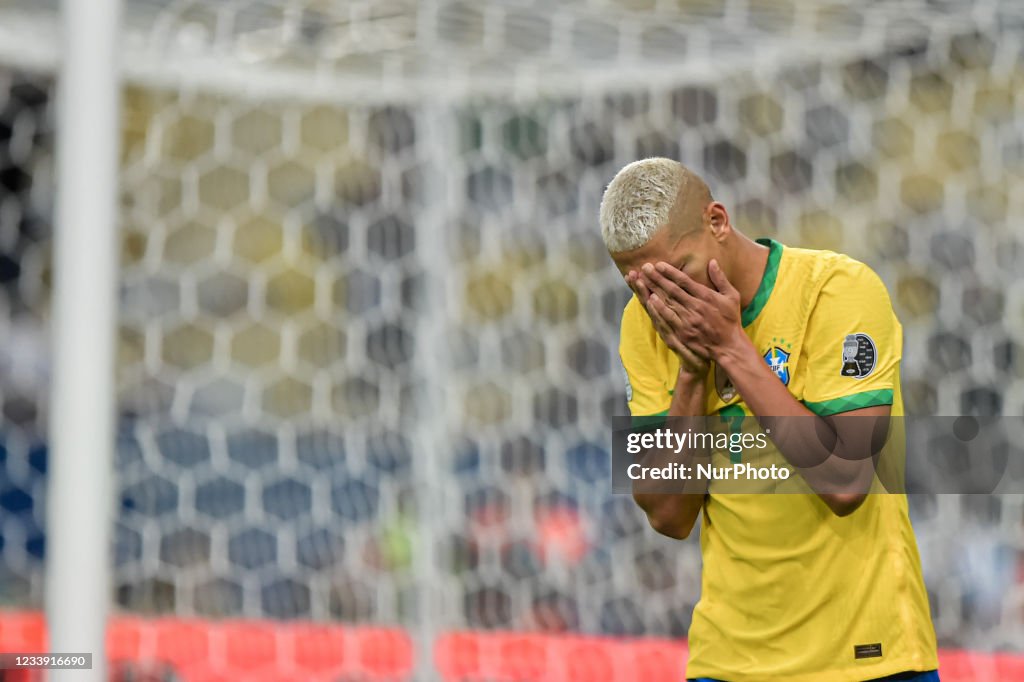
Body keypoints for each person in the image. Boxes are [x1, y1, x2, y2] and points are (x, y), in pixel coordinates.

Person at [601, 158, 939, 681]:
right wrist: (692, 374)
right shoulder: (644, 326)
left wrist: (732, 348)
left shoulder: (838, 290)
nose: (663, 300)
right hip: (729, 661)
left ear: (718, 222)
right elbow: (668, 516)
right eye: (641, 286)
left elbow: (846, 481)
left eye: (679, 273)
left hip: (867, 657)